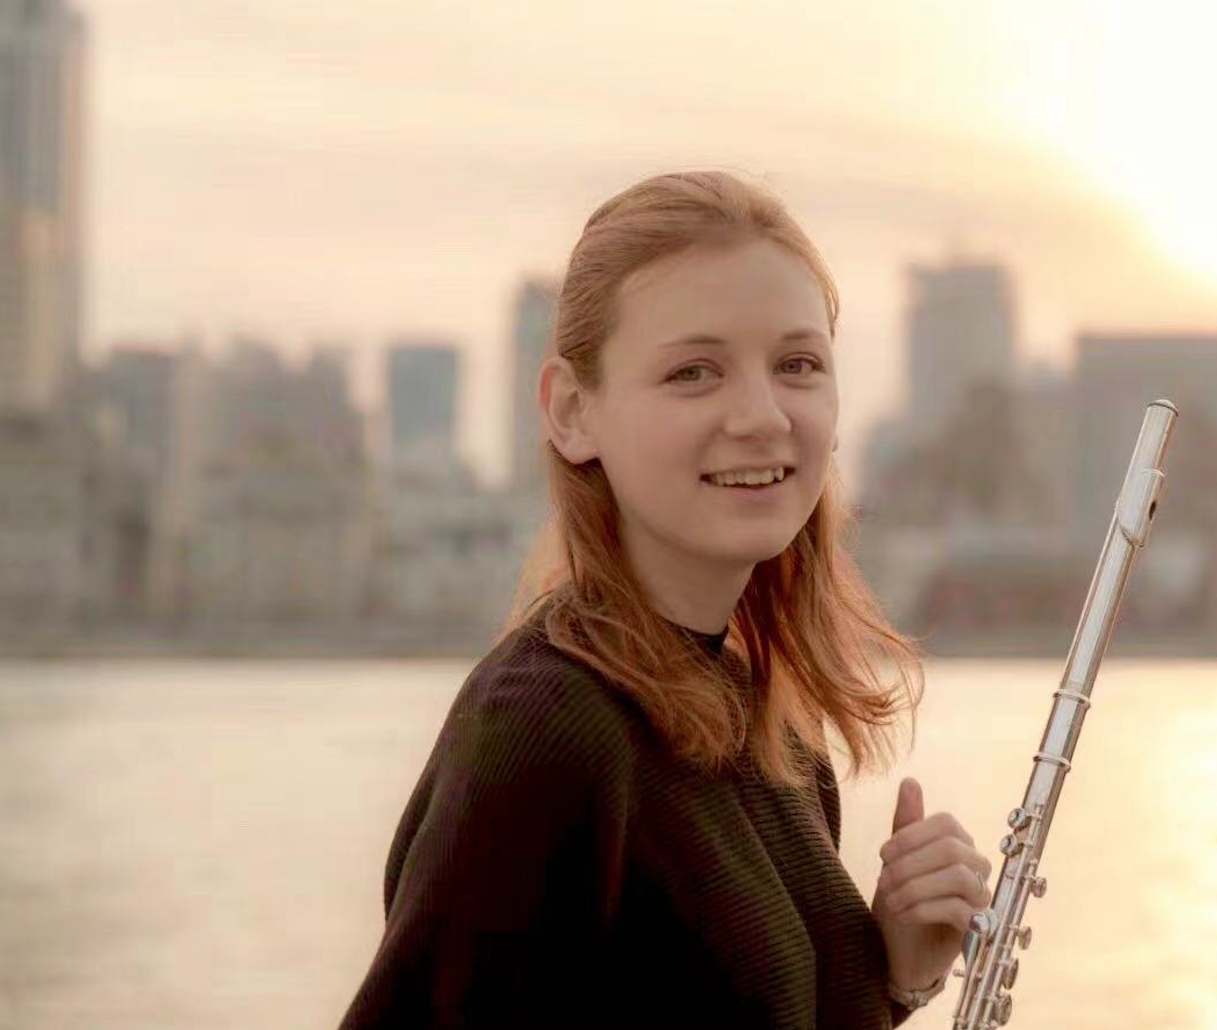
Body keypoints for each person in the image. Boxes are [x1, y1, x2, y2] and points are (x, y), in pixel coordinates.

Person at [336, 169, 993, 1029]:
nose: (762, 415)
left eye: (798, 364)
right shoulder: (544, 727)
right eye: (694, 372)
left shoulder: (772, 733)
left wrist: (897, 974)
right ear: (572, 412)